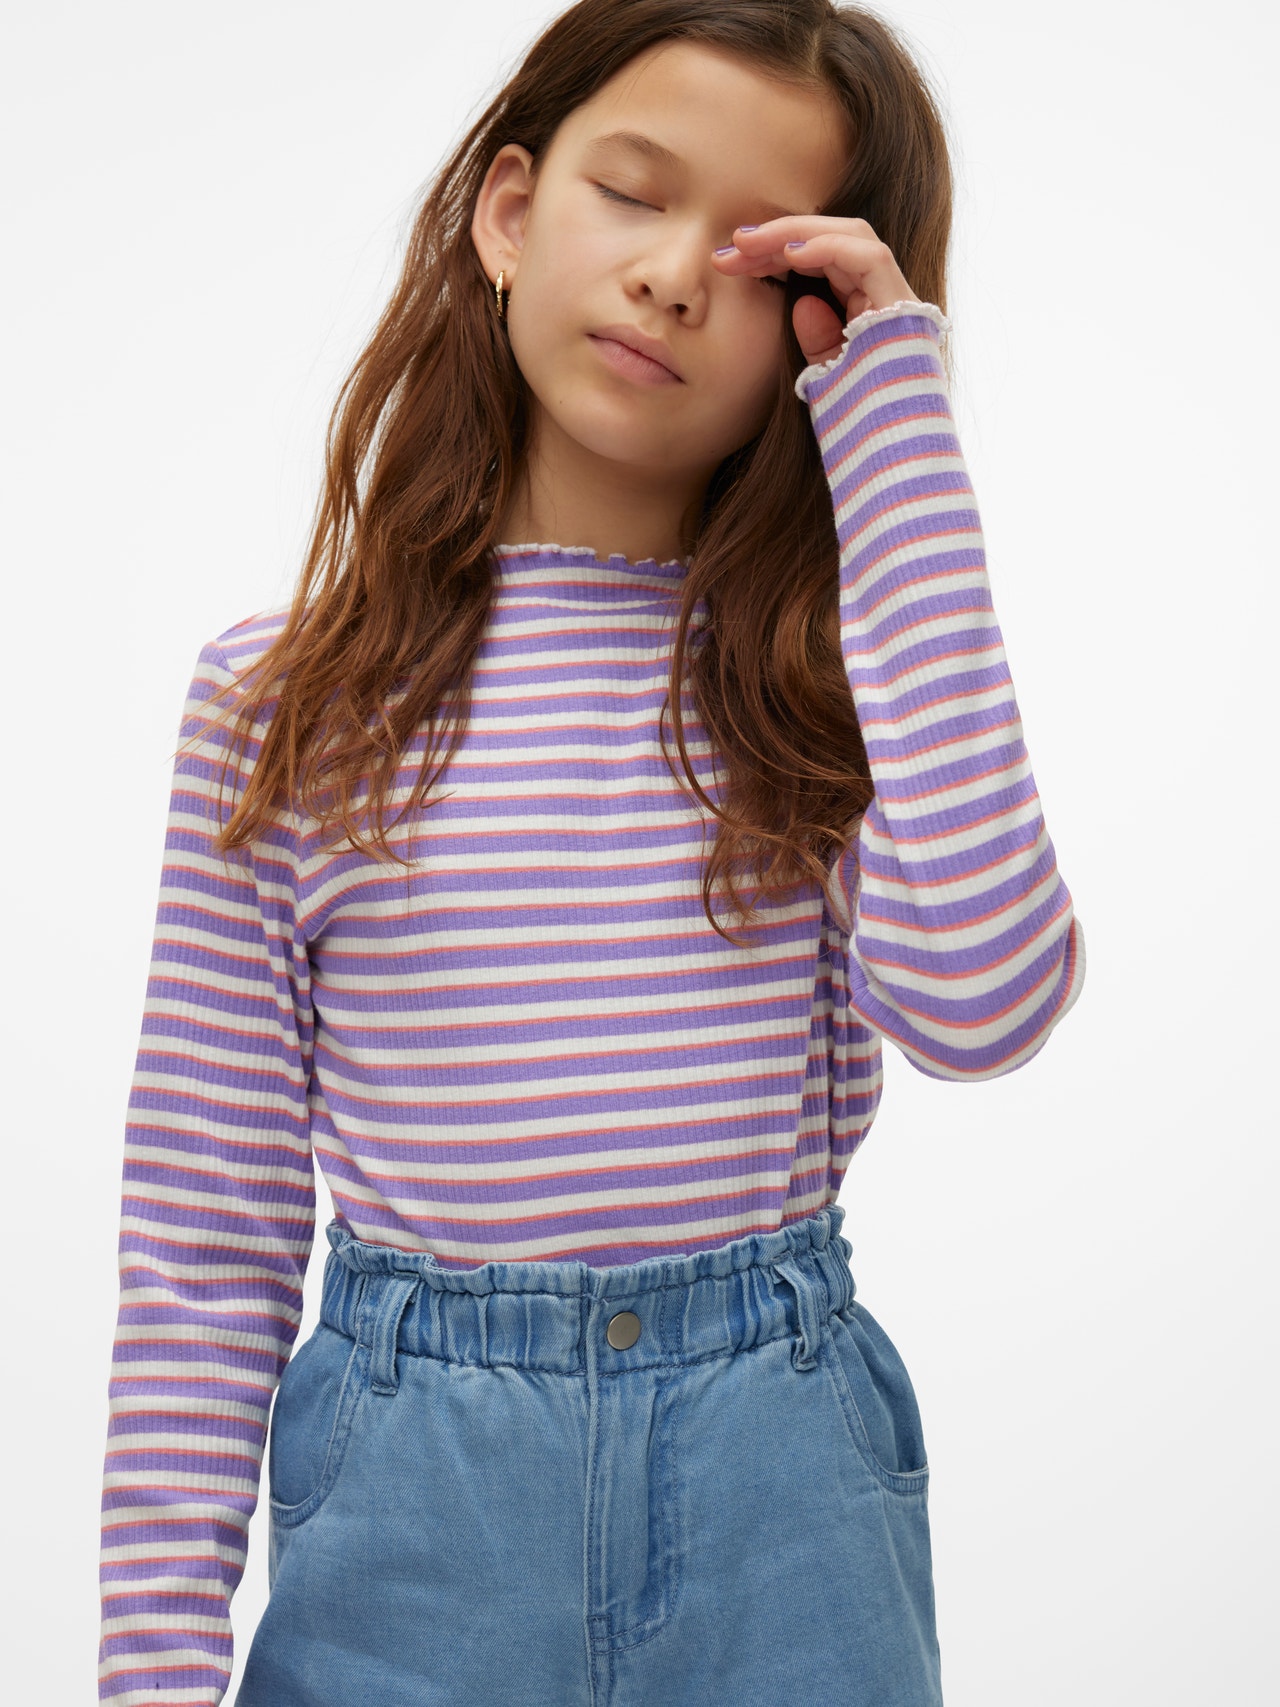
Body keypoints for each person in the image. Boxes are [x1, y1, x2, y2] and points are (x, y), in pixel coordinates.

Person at [97, 2, 1086, 1702]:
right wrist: (152, 1670)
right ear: (508, 212)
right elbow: (206, 1236)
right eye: (632, 192)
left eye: (762, 260)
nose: (675, 276)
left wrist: (899, 438)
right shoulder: (281, 705)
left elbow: (988, 1004)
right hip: (413, 1513)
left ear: (820, 330)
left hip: (781, 1497)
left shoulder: (827, 701)